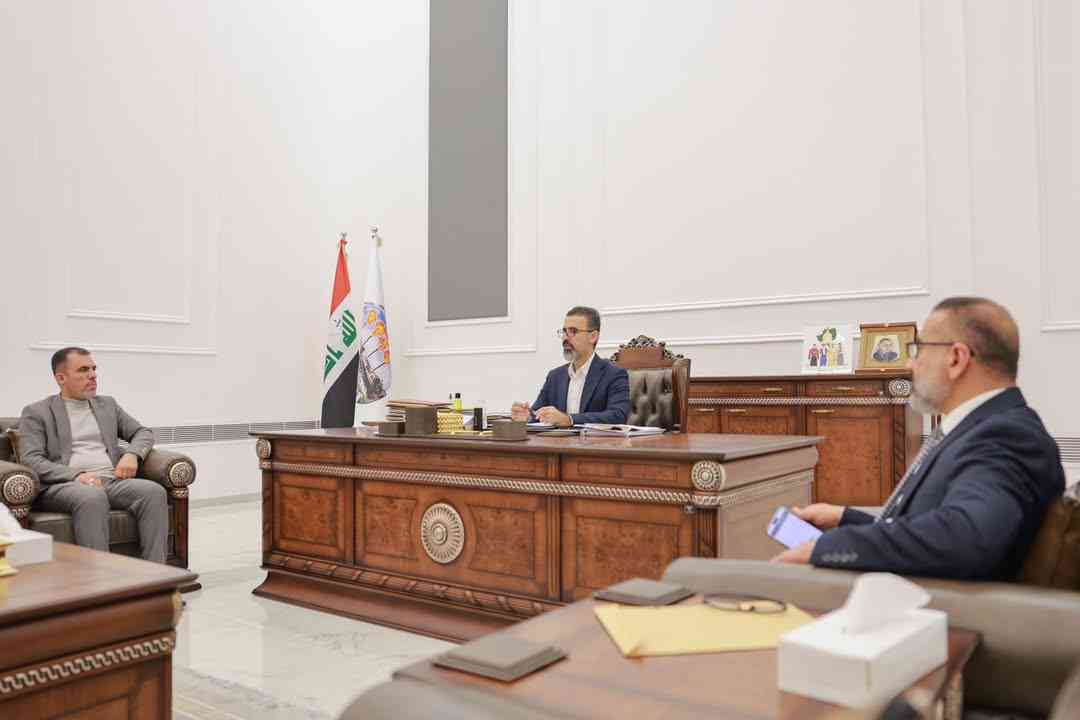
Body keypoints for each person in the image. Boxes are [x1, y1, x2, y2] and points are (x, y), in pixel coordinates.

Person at [774, 297, 1064, 581]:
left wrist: (827, 547)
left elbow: (964, 538)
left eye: (918, 350)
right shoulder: (981, 426)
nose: (909, 364)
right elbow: (930, 526)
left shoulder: (1005, 436)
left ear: (956, 358)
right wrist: (845, 518)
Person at [18, 347, 168, 563]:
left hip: (111, 480)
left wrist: (132, 455)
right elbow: (31, 459)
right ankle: (98, 577)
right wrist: (77, 475)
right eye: (83, 370)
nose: (92, 375)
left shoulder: (108, 405)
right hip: (64, 485)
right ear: (61, 378)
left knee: (153, 491)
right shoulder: (37, 412)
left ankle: (156, 573)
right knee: (91, 496)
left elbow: (142, 433)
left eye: (93, 369)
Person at [511, 306, 630, 427]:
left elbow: (618, 416)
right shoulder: (555, 376)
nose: (565, 338)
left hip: (593, 439)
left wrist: (570, 420)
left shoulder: (614, 374)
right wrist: (527, 416)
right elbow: (538, 414)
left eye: (573, 331)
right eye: (564, 332)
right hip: (557, 439)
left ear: (593, 336)